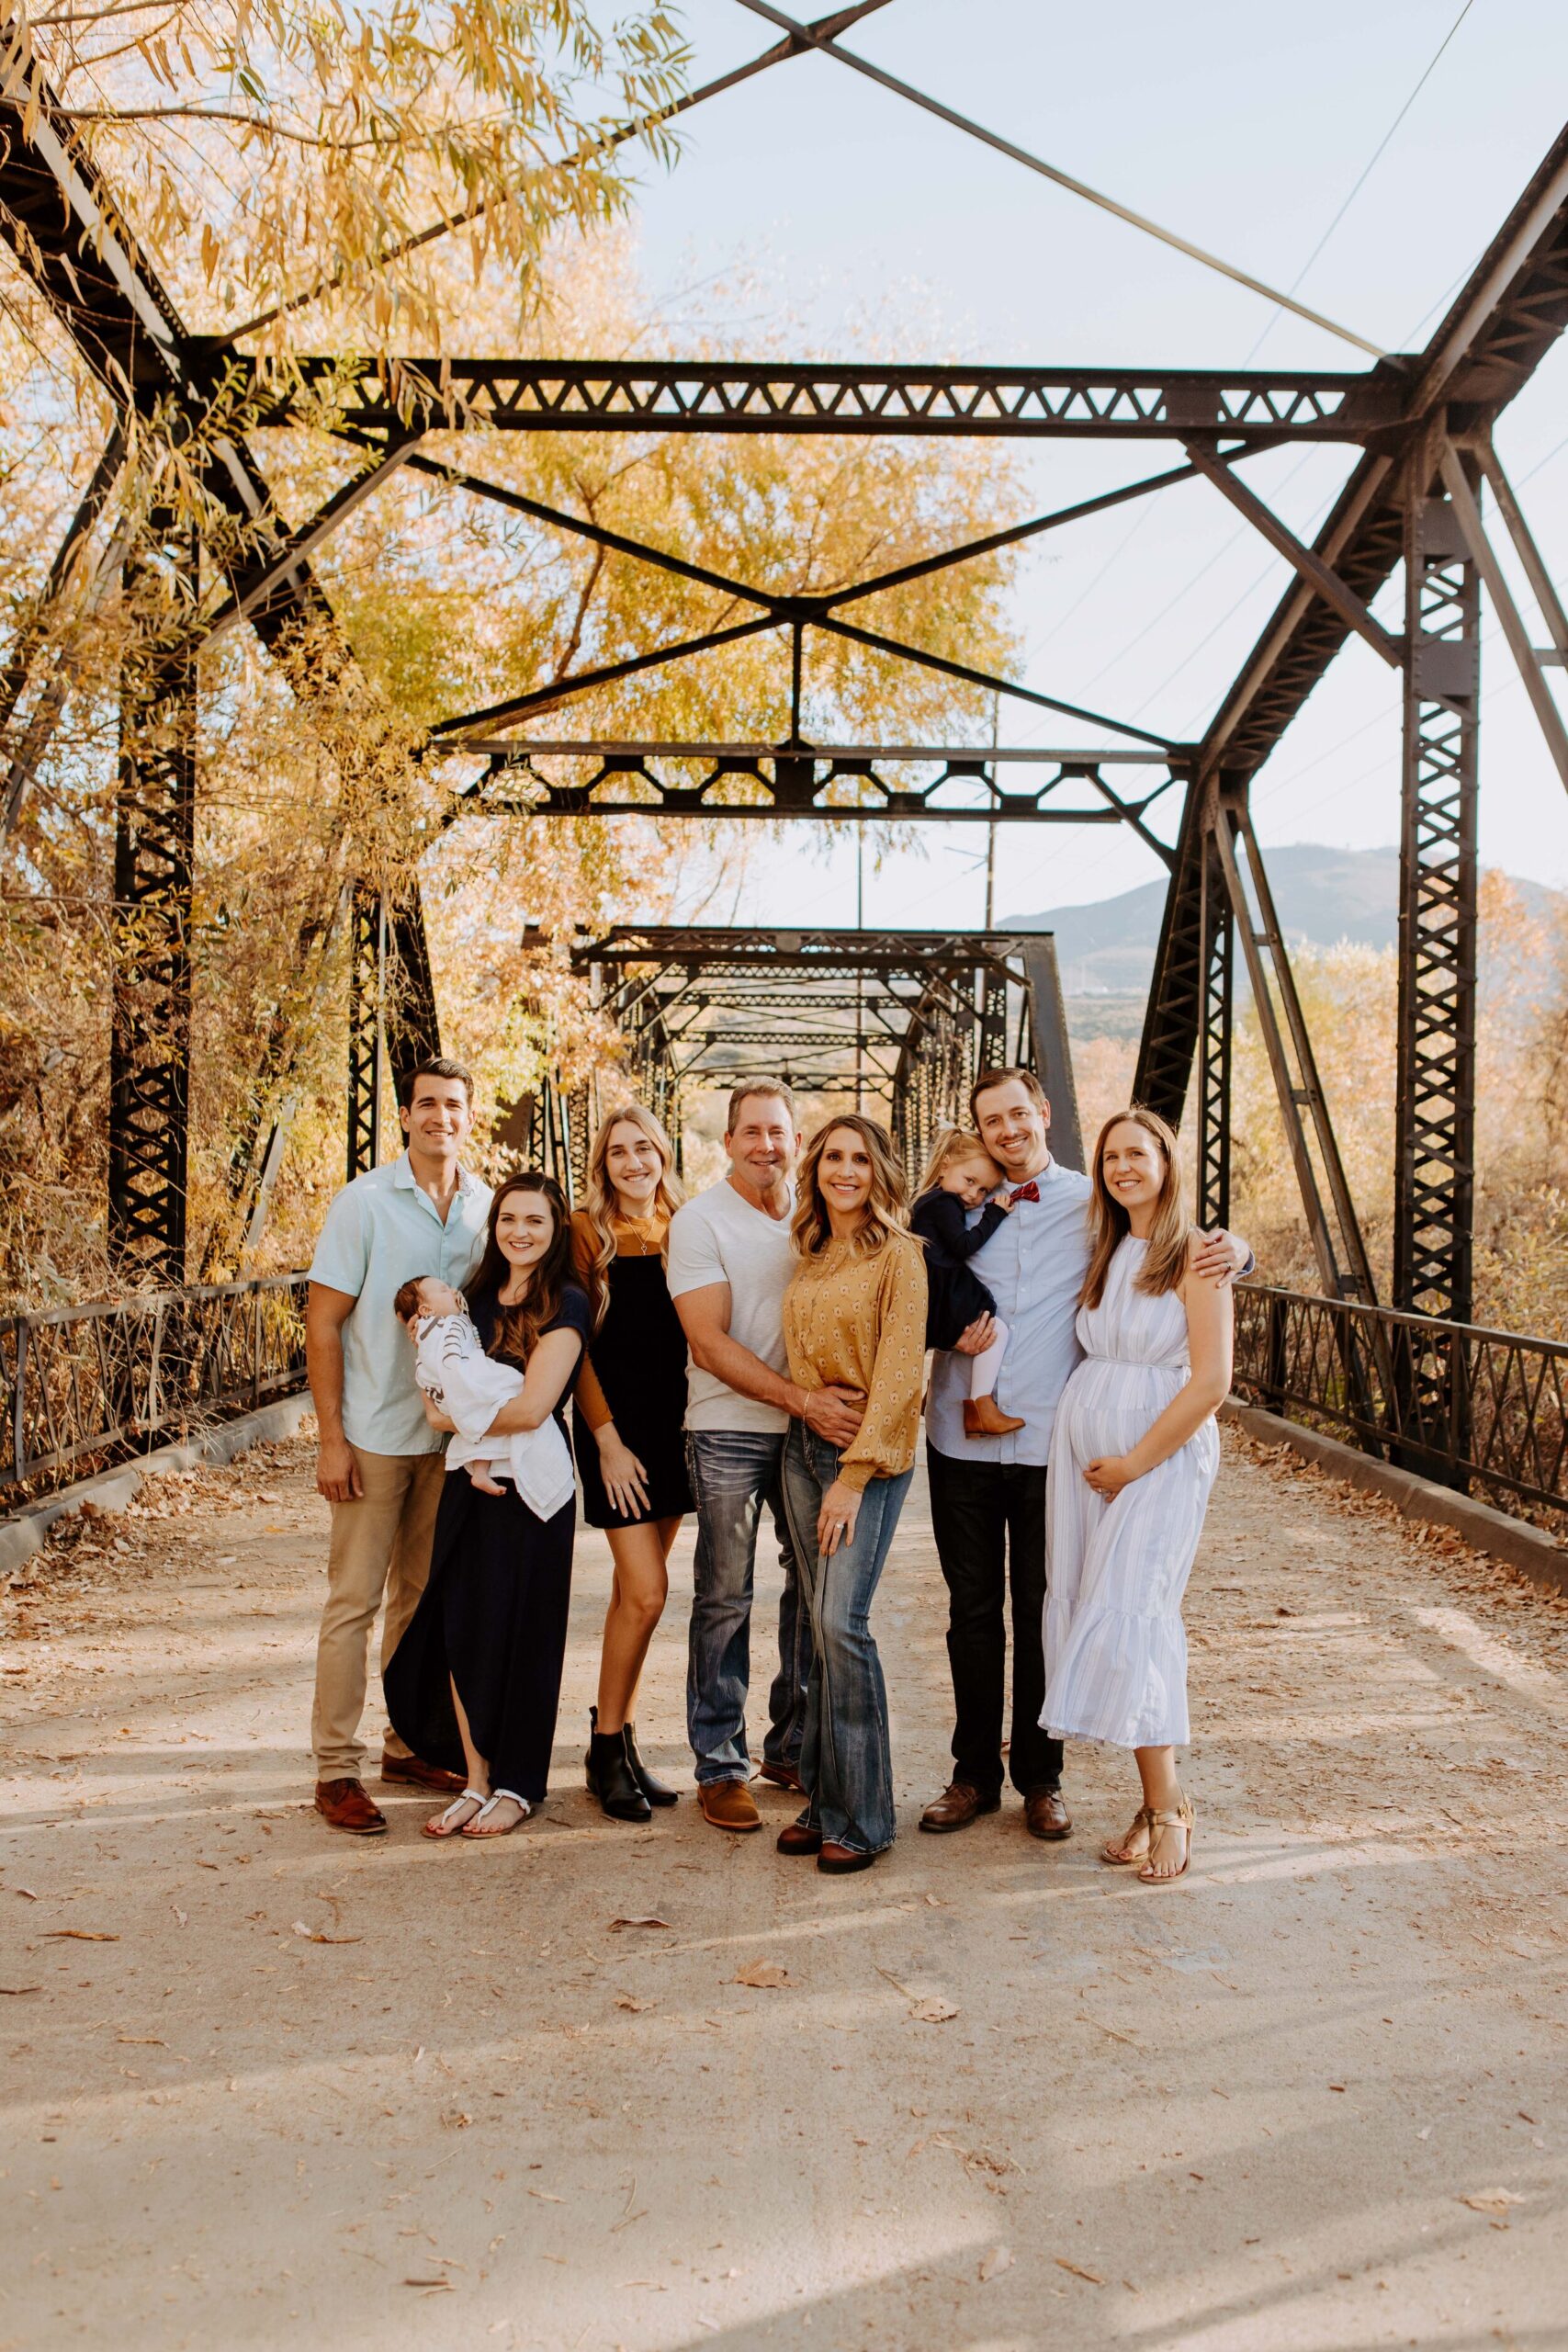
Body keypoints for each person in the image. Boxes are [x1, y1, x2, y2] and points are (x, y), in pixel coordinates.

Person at [919, 1067, 1250, 1844]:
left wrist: (1234, 1250)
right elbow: (903, 1272)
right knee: (971, 1612)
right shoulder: (954, 1202)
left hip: (1052, 1446)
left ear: (1041, 1113)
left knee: (1045, 1605)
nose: (1006, 1131)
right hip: (956, 1436)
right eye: (989, 1121)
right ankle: (972, 1775)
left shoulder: (1091, 1203)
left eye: (1016, 1114)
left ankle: (1041, 1778)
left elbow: (1164, 1241)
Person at [666, 1080, 867, 1833]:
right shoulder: (698, 1223)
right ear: (728, 1142)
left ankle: (790, 1744)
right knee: (724, 1591)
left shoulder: (820, 1218)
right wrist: (802, 1401)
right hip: (727, 1427)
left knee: (811, 1590)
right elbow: (708, 1343)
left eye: (778, 1133)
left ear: (796, 1138)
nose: (766, 1146)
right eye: (751, 1133)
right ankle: (719, 1764)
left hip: (812, 1434)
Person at [1043, 1108, 1232, 1885]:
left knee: (1136, 1615)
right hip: (1087, 1459)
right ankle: (1146, 1797)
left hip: (1157, 1460)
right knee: (1098, 1611)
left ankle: (1170, 1807)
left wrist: (1132, 1464)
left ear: (1166, 1160)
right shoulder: (1105, 1248)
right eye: (1109, 1156)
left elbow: (1211, 1381)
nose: (1121, 1167)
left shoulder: (1198, 1254)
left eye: (1136, 1153)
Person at [305, 1057, 491, 1838]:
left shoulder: (489, 1206)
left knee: (422, 1602)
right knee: (354, 1600)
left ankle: (405, 1741)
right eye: (426, 1105)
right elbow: (321, 1324)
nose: (439, 1117)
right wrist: (331, 1440)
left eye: (453, 1105)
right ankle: (334, 1768)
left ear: (468, 1116)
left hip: (450, 1443)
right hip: (377, 1435)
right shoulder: (365, 1202)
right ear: (406, 1116)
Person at [384, 1172, 592, 1838]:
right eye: (508, 1219)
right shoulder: (469, 1296)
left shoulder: (567, 1301)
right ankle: (476, 1781)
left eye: (534, 1220)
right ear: (494, 1225)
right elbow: (434, 1408)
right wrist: (470, 1432)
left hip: (531, 1488)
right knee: (462, 1629)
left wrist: (472, 1425)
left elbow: (535, 1406)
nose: (519, 1232)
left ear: (555, 1228)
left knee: (526, 1635)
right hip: (467, 1480)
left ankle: (518, 1784)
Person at [776, 1116, 927, 1874]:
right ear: (816, 1168)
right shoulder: (811, 1251)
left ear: (880, 1171)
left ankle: (865, 1818)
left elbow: (901, 1378)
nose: (845, 1170)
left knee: (843, 1625)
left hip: (861, 1457)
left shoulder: (899, 1256)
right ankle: (823, 1800)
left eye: (860, 1159)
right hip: (800, 1448)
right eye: (833, 1157)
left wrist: (851, 1477)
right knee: (816, 1624)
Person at [569, 1102, 692, 1826]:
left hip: (676, 1428)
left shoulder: (687, 1228)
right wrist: (606, 1440)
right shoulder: (587, 1233)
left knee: (631, 1598)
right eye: (618, 1152)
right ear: (602, 1163)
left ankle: (619, 1744)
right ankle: (604, 1747)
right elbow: (573, 1344)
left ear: (663, 1155)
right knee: (646, 1593)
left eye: (644, 1148)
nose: (633, 1162)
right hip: (614, 1430)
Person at [393, 1276, 576, 1513]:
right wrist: (467, 1387)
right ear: (427, 1309)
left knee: (481, 1430)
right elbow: (449, 1364)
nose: (452, 1290)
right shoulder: (444, 1327)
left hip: (452, 1395)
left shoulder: (433, 1330)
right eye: (443, 1290)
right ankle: (488, 1469)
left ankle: (480, 1471)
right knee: (511, 1388)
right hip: (460, 1388)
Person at [909, 1126, 1024, 1438]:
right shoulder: (945, 1203)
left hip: (932, 1289)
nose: (974, 1195)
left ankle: (933, 1395)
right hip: (944, 1290)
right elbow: (963, 1246)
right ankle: (980, 1408)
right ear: (945, 1166)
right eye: (970, 1181)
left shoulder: (929, 1200)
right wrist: (994, 1214)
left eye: (984, 1190)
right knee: (996, 1329)